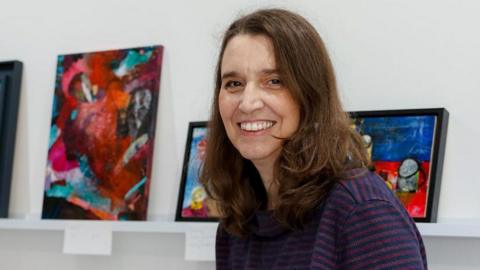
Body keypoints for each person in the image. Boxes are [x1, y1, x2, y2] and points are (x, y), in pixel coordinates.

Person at [200, 8, 427, 270]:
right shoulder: (237, 222)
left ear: (310, 95)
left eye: (274, 81)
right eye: (233, 84)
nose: (248, 103)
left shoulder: (362, 210)